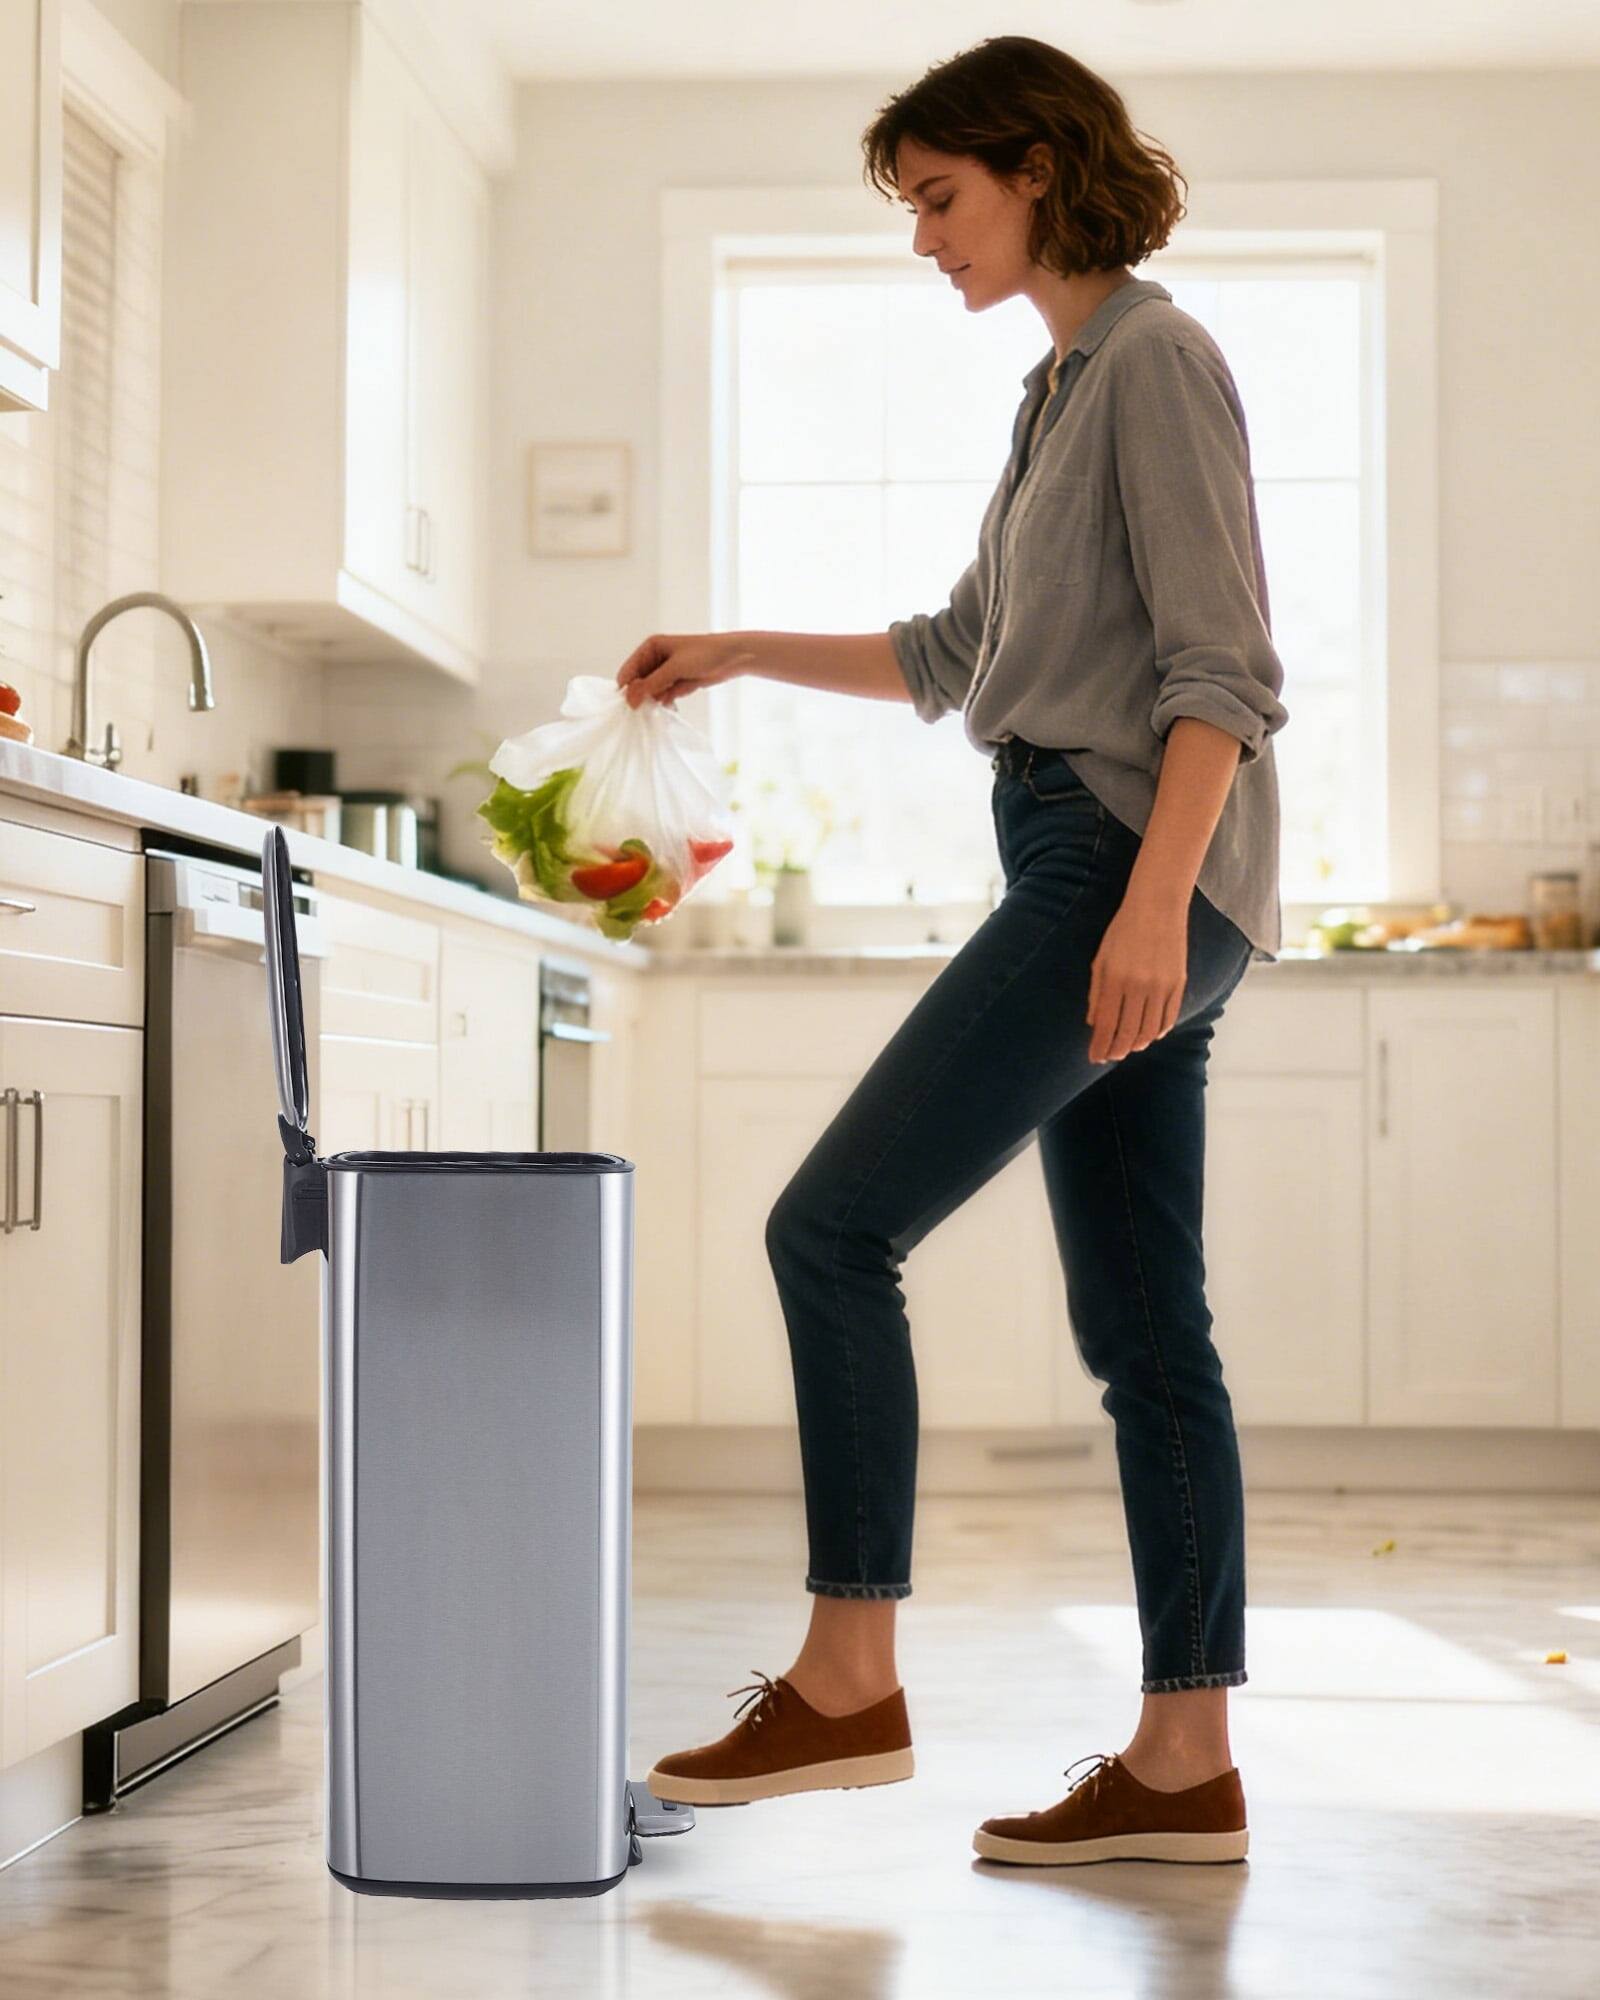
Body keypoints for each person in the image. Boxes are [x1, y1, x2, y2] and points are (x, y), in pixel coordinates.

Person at [615, 34, 1288, 1867]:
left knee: (831, 1231)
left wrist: (1150, 904)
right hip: (1113, 867)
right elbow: (950, 655)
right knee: (1151, 1335)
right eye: (912, 205)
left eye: (940, 196)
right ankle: (1183, 1771)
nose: (923, 237)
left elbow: (1224, 669)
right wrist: (737, 647)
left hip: (1117, 868)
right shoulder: (1058, 394)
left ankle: (848, 1684)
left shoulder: (1152, 357)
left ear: (1041, 167)